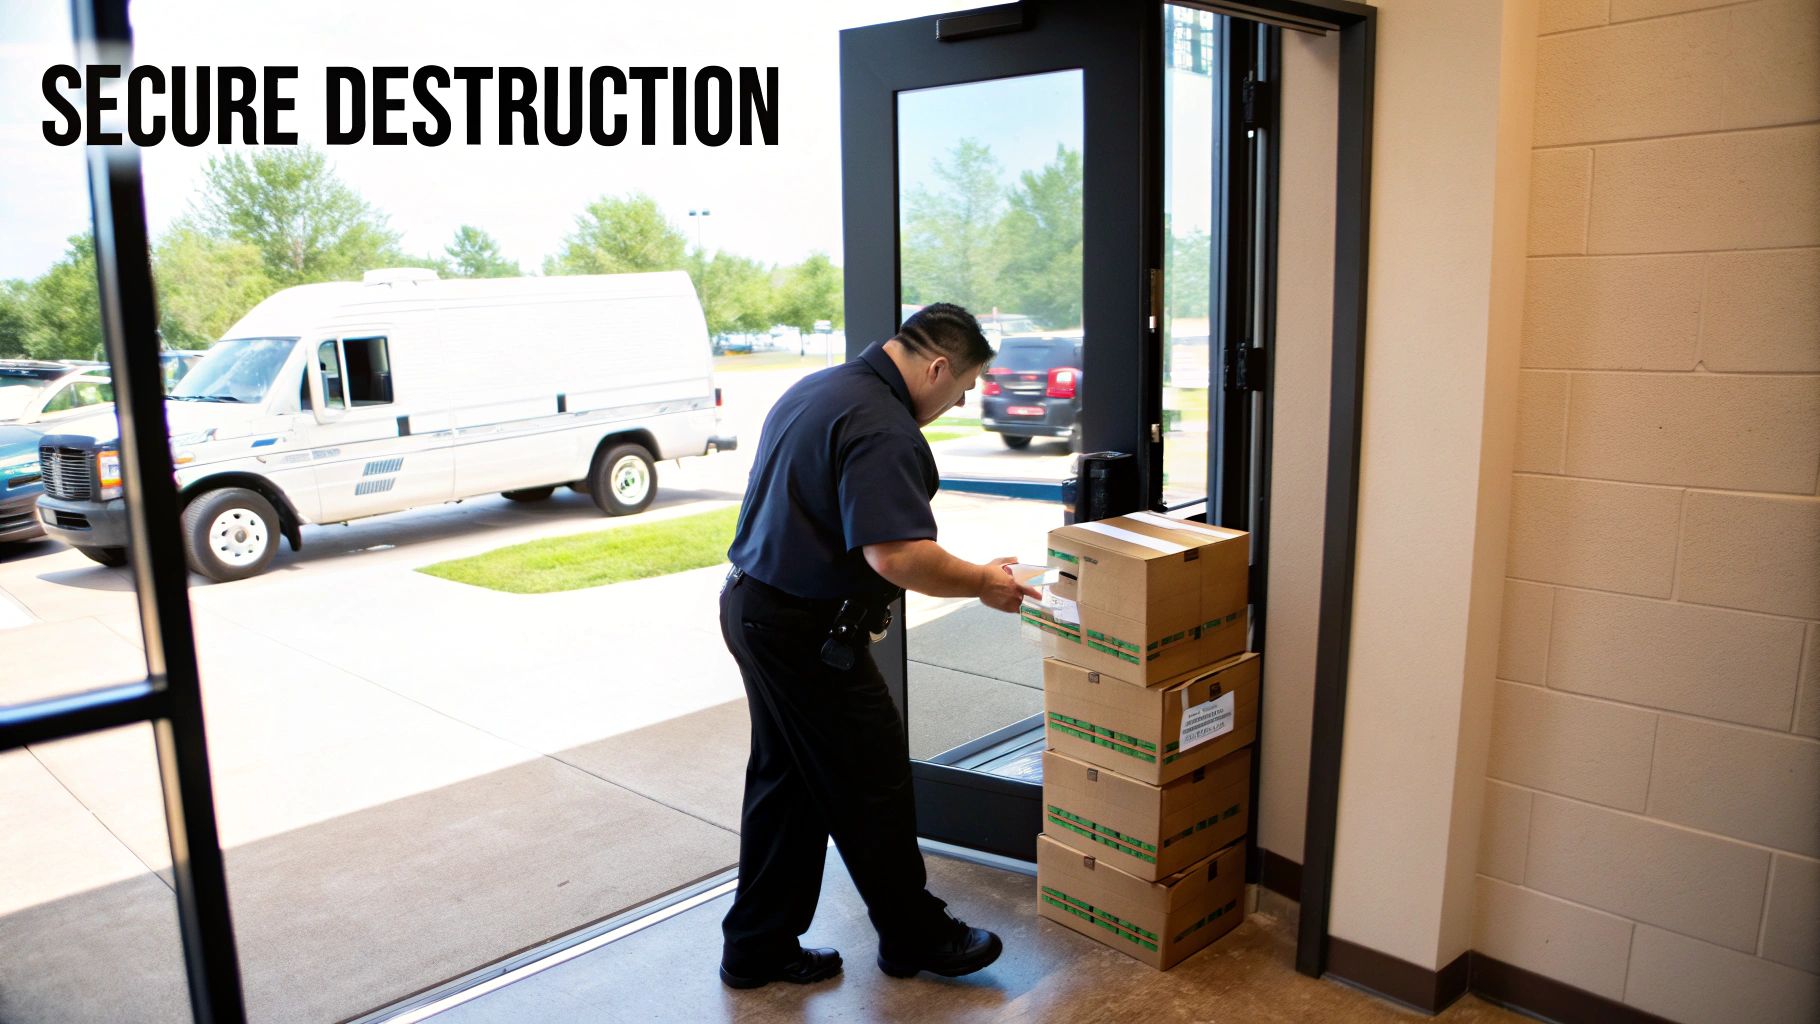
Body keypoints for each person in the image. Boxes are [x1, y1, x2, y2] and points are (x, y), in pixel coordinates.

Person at [717, 303, 1041, 990]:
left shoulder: (824, 388)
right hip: (800, 629)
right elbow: (896, 556)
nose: (959, 402)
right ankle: (915, 935)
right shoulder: (881, 424)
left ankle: (757, 945)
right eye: (962, 389)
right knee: (872, 781)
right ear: (937, 366)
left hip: (756, 607)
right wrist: (984, 581)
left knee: (790, 784)